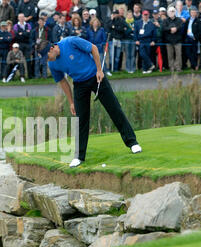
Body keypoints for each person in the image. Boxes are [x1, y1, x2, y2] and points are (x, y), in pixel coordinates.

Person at [48, 36, 141, 168]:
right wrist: (71, 102)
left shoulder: (70, 42)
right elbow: (63, 82)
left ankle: (132, 143)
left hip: (95, 77)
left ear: (52, 48)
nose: (48, 60)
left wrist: (99, 70)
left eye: (48, 55)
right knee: (81, 120)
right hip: (79, 84)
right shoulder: (52, 63)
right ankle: (79, 156)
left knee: (114, 109)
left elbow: (93, 48)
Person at [162, 7, 183, 72]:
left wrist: (176, 29)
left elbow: (181, 27)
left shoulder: (179, 20)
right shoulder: (165, 20)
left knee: (178, 55)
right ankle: (171, 67)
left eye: (173, 11)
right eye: (170, 11)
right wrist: (170, 29)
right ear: (168, 13)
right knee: (170, 55)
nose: (171, 12)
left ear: (175, 12)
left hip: (177, 40)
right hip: (169, 40)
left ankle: (178, 67)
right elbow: (164, 28)